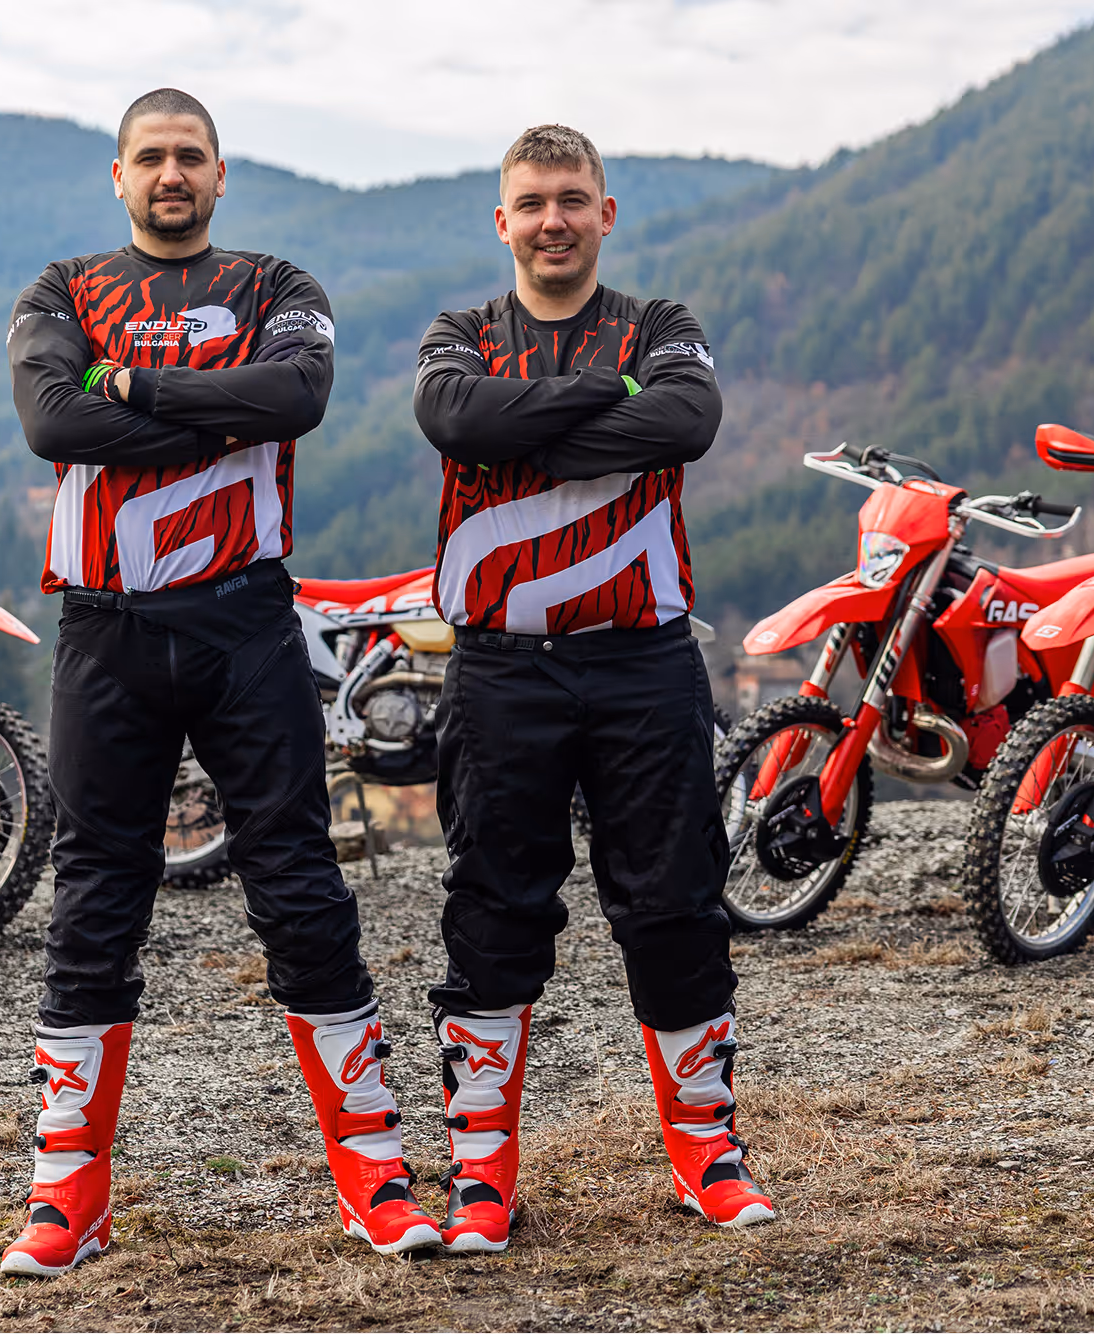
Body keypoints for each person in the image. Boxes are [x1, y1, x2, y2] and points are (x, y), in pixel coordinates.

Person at [0, 88, 440, 1275]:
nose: (170, 174)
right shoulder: (59, 288)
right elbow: (49, 422)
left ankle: (375, 1181)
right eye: (150, 158)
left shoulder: (279, 285)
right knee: (95, 894)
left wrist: (127, 391)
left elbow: (293, 398)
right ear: (118, 175)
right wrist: (211, 414)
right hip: (107, 627)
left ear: (220, 171)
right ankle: (63, 1201)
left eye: (188, 155)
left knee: (300, 884)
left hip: (248, 620)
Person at [412, 124, 776, 1253]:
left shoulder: (660, 328)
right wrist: (598, 400)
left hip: (641, 662)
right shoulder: (459, 333)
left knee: (672, 905)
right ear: (501, 221)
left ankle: (705, 1158)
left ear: (604, 213)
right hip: (499, 668)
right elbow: (452, 417)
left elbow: (685, 420)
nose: (552, 219)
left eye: (572, 198)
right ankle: (481, 1178)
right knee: (491, 912)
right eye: (531, 202)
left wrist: (528, 424)